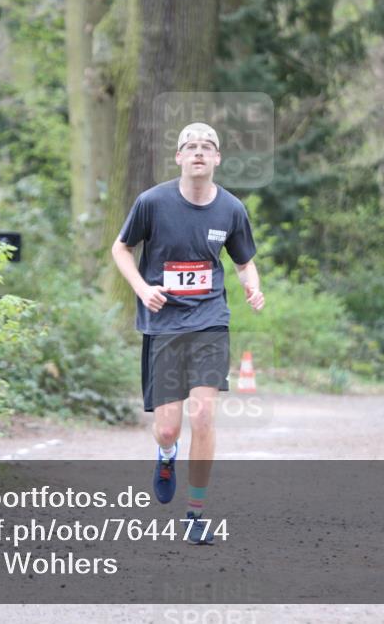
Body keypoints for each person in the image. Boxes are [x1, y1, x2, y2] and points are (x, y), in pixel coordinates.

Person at [110, 122, 264, 545]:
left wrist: (252, 284)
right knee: (168, 428)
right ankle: (165, 455)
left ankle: (195, 513)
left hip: (210, 321)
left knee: (203, 415)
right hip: (163, 325)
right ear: (178, 157)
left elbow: (244, 259)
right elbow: (120, 248)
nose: (199, 152)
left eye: (207, 147)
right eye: (190, 147)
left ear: (216, 160)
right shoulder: (152, 203)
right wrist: (142, 289)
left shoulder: (231, 209)